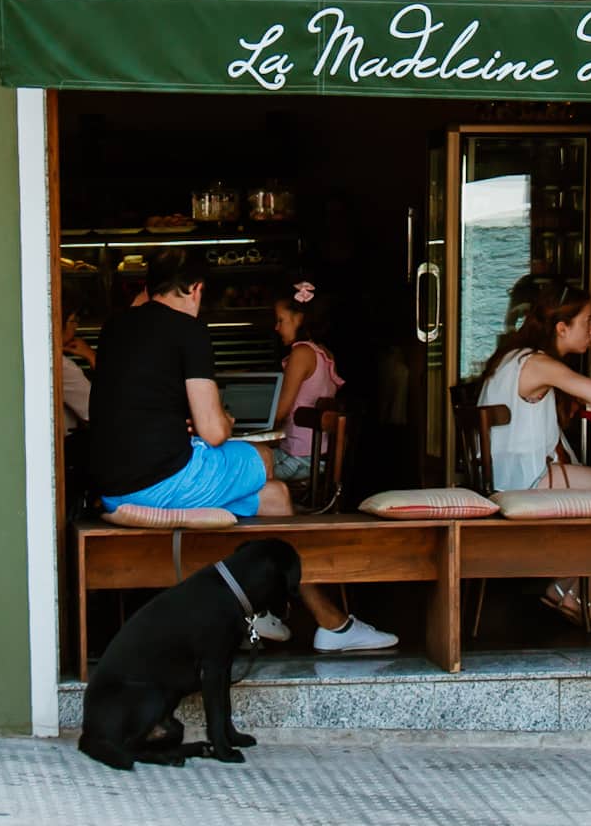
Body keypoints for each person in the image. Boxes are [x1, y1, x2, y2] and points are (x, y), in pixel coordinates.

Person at [90, 250, 397, 654]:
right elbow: (214, 432)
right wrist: (227, 420)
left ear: (148, 287)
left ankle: (317, 621)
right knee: (265, 461)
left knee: (274, 496)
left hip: (113, 487)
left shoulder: (114, 328)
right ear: (196, 289)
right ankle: (284, 613)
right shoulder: (188, 329)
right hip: (163, 483)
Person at [477, 284, 591, 625]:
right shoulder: (538, 363)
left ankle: (569, 585)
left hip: (507, 476)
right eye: (588, 322)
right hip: (528, 480)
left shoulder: (513, 357)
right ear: (561, 328)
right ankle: (575, 589)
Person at [268, 280, 341, 484]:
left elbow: (280, 412)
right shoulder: (325, 353)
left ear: (298, 319)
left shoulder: (301, 354)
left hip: (299, 460)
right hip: (317, 456)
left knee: (240, 468)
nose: (276, 327)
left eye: (281, 320)